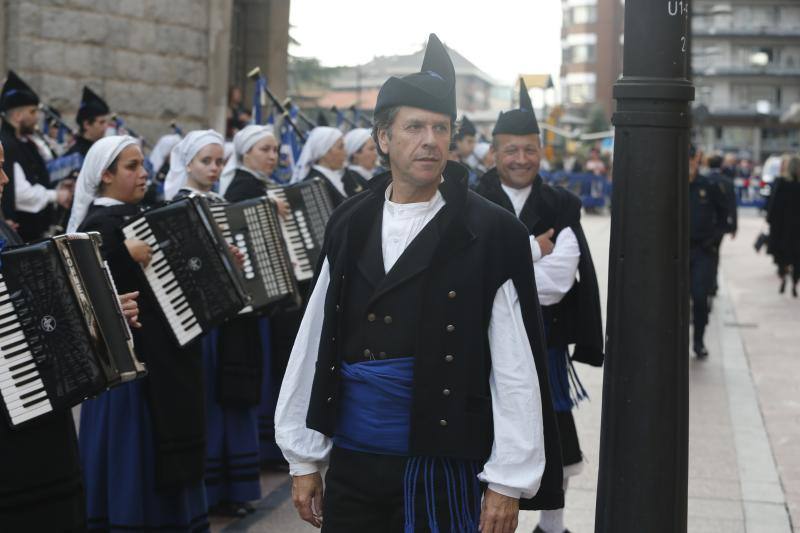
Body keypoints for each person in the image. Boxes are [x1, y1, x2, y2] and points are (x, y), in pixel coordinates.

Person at [275, 33, 563, 533]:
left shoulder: (491, 232)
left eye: (440, 127)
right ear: (383, 138)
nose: (430, 140)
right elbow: (315, 338)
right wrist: (303, 459)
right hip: (354, 462)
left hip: (445, 462)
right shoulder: (349, 221)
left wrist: (506, 481)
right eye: (414, 127)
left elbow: (516, 363)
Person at [475, 79, 604, 533]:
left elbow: (556, 284)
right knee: (482, 432)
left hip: (542, 340)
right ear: (493, 153)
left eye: (529, 150)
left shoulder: (560, 203)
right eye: (510, 150)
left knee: (552, 431)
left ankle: (553, 525)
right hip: (478, 342)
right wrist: (531, 248)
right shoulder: (470, 199)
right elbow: (471, 274)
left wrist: (504, 266)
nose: (520, 159)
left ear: (541, 152)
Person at [68, 136, 209, 532]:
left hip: (165, 357)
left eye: (143, 164)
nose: (143, 173)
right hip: (133, 370)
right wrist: (118, 250)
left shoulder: (145, 214)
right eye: (131, 167)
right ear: (106, 175)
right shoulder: (96, 226)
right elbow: (84, 292)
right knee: (135, 453)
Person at [0, 138, 141, 531]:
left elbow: (35, 311)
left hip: (37, 404)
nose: (5, 178)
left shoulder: (2, 229)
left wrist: (106, 313)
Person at [163, 129, 263, 517]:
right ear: (188, 163)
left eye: (219, 161)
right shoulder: (175, 205)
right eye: (207, 161)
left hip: (231, 318)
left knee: (231, 398)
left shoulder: (222, 203)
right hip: (202, 321)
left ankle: (233, 487)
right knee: (207, 401)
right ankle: (208, 488)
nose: (214, 168)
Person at [218, 125, 294, 469]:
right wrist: (264, 205)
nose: (272, 156)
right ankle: (265, 448)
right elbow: (238, 220)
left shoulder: (264, 186)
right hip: (256, 298)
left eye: (275, 150)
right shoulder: (243, 186)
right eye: (264, 149)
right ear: (246, 153)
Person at [0, 70, 73, 241]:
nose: (37, 118)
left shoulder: (25, 143)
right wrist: (56, 195)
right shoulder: (7, 144)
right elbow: (20, 194)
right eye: (32, 112)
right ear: (18, 115)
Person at [689, 145, 729, 357]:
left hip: (702, 250)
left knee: (699, 295)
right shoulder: (671, 184)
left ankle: (698, 340)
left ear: (698, 160)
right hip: (674, 254)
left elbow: (724, 217)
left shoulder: (709, 185)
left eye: (692, 159)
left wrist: (713, 241)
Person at [291, 126, 367, 206]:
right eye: (340, 147)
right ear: (324, 151)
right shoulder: (314, 182)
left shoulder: (342, 177)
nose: (345, 153)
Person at [767, 155, 800, 296]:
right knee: (797, 258)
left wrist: (771, 222)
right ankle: (794, 283)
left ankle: (783, 278)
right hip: (797, 229)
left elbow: (773, 206)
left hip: (782, 229)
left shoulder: (780, 183)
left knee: (782, 257)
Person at [706, 154, 738, 298]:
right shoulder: (727, 182)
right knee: (715, 253)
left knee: (706, 253)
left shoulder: (703, 179)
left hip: (705, 225)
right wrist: (734, 227)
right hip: (720, 226)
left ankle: (710, 281)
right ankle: (712, 281)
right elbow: (732, 206)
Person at [66, 86, 111, 158]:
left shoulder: (102, 151)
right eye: (101, 122)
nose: (106, 127)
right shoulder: (75, 156)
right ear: (86, 124)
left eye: (106, 122)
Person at [455, 115, 478, 184]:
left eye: (474, 142)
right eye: (469, 142)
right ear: (458, 142)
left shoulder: (465, 165)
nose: (473, 146)